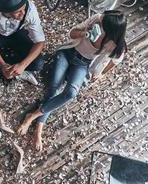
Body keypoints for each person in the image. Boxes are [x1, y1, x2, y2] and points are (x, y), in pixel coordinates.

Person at [17, 10, 127, 151]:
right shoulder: (96, 19)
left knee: (70, 93)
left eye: (103, 22)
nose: (100, 20)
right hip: (67, 53)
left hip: (82, 64)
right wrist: (84, 33)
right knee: (54, 88)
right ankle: (38, 127)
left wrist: (102, 74)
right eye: (102, 18)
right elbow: (71, 33)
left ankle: (33, 115)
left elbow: (116, 60)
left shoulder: (116, 45)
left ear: (111, 30)